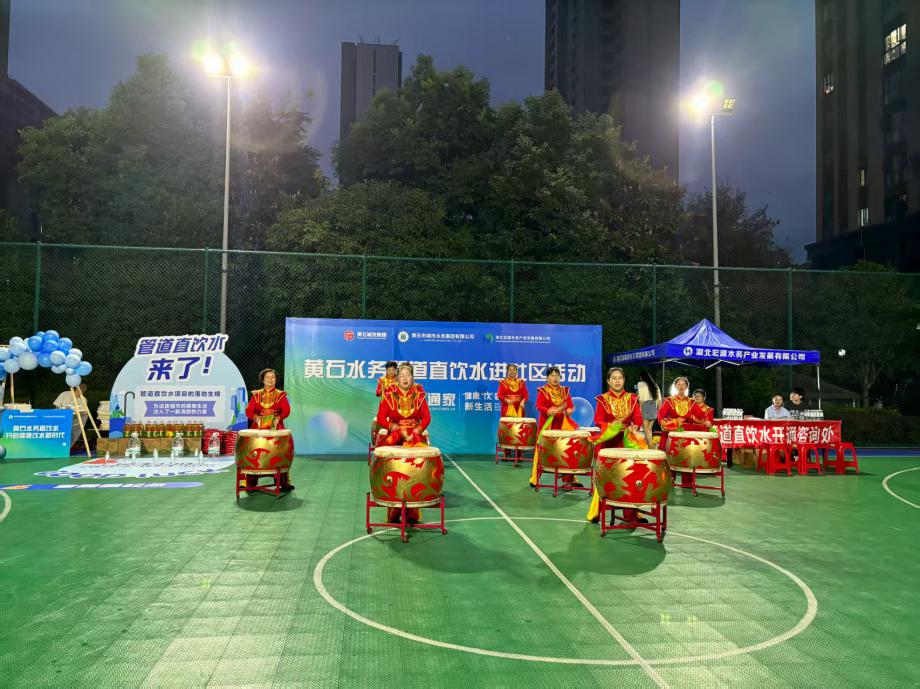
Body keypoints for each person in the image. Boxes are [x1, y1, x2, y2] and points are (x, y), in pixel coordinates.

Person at [375, 363, 432, 522]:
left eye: (408, 375)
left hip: (414, 436)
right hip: (395, 436)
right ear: (397, 379)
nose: (405, 378)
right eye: (402, 375)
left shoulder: (419, 396)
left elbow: (427, 417)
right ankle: (394, 509)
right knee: (393, 472)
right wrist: (392, 426)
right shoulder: (389, 396)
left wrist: (418, 429)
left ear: (413, 378)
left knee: (415, 472)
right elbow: (380, 418)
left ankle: (413, 511)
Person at [587, 368, 644, 522]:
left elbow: (637, 417)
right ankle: (597, 512)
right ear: (608, 381)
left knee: (630, 476)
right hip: (608, 444)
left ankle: (631, 514)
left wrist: (635, 426)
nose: (617, 381)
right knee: (606, 478)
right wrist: (611, 426)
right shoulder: (602, 399)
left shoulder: (632, 398)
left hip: (627, 443)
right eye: (614, 378)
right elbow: (598, 420)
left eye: (620, 378)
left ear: (624, 380)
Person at [530, 366, 579, 488]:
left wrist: (569, 410)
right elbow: (539, 406)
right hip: (547, 425)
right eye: (552, 375)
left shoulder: (564, 391)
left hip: (562, 425)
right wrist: (548, 410)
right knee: (541, 451)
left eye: (557, 375)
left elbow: (569, 405)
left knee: (566, 450)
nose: (555, 378)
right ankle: (535, 478)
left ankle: (569, 479)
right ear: (547, 378)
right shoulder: (543, 391)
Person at [244, 368, 293, 491]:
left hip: (276, 426)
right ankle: (250, 483)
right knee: (253, 452)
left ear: (276, 380)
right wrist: (256, 417)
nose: (270, 379)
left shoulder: (281, 395)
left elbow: (286, 410)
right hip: (259, 427)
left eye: (273, 377)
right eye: (268, 377)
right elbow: (249, 411)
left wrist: (279, 418)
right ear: (263, 380)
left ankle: (283, 482)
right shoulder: (256, 395)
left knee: (280, 452)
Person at [657, 376, 708, 450]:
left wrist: (706, 421)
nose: (681, 386)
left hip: (687, 430)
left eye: (683, 384)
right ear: (675, 386)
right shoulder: (669, 400)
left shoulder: (691, 402)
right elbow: (660, 414)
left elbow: (701, 415)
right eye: (679, 384)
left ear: (687, 387)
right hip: (673, 428)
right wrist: (665, 423)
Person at [371, 361, 399, 440]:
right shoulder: (382, 380)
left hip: (396, 405)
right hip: (384, 405)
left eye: (393, 370)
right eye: (389, 370)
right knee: (378, 421)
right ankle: (377, 440)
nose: (391, 372)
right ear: (386, 370)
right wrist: (382, 390)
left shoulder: (399, 380)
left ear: (395, 370)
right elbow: (377, 393)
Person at [636, 371, 661, 447]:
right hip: (654, 406)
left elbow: (641, 398)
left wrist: (640, 410)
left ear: (641, 377)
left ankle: (651, 447)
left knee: (645, 429)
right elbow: (659, 400)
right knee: (649, 429)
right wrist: (659, 411)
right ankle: (650, 446)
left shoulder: (640, 384)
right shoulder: (655, 385)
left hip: (646, 406)